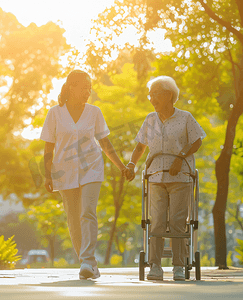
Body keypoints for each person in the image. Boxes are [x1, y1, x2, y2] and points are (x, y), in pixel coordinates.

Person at [40, 70, 127, 280]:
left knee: (87, 211)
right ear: (71, 86)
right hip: (65, 170)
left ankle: (88, 260)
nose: (88, 91)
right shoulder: (55, 113)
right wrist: (47, 175)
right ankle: (86, 263)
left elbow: (105, 143)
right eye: (84, 87)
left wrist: (121, 166)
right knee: (73, 218)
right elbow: (48, 148)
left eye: (90, 88)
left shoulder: (94, 112)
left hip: (92, 167)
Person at [124, 75, 206, 281]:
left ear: (169, 95)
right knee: (157, 221)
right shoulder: (150, 120)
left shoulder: (185, 117)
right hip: (156, 176)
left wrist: (181, 158)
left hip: (180, 177)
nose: (151, 99)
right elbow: (140, 146)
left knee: (178, 222)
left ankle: (179, 265)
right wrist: (132, 164)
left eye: (155, 94)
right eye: (149, 95)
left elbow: (196, 141)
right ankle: (155, 265)